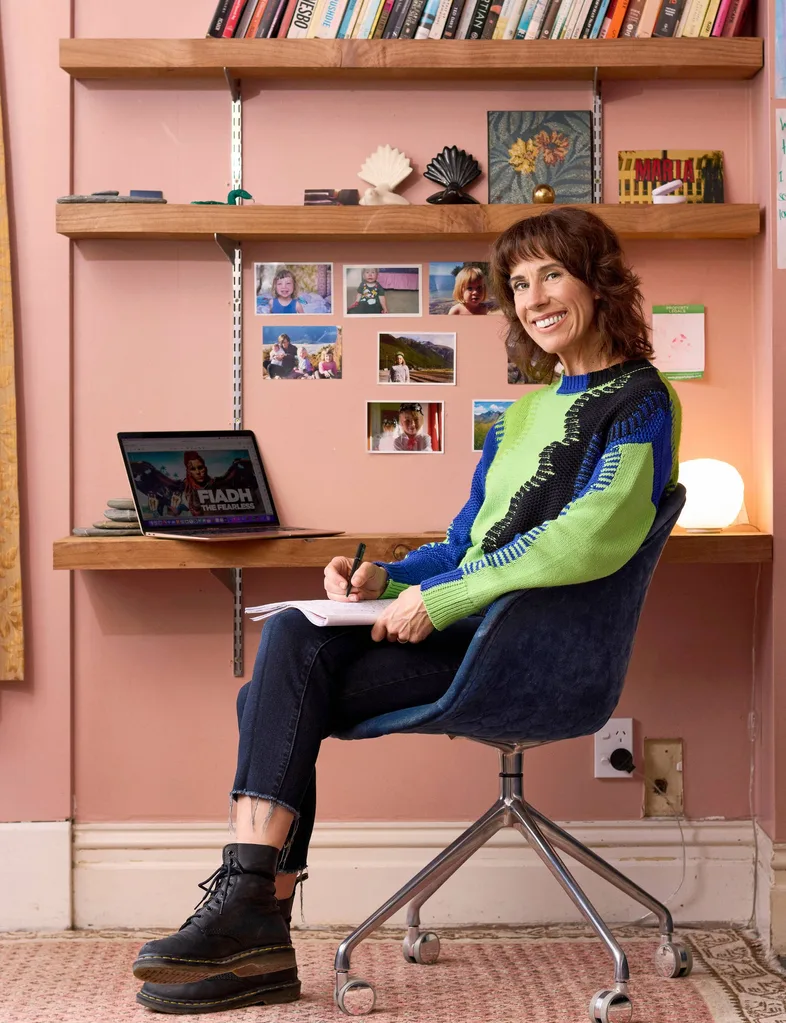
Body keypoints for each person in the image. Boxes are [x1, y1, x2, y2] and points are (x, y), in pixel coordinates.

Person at [131, 207, 682, 1015]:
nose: (533, 297)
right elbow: (462, 544)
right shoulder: (522, 416)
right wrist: (383, 580)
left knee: (273, 698)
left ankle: (256, 925)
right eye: (518, 283)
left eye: (551, 274)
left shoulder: (641, 399)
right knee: (294, 634)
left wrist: (446, 597)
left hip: (533, 653)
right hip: (463, 633)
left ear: (596, 282)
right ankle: (252, 918)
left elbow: (588, 536)